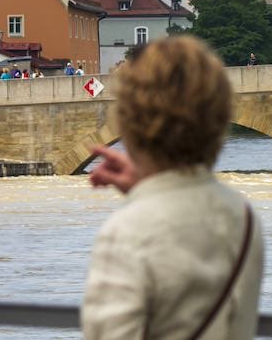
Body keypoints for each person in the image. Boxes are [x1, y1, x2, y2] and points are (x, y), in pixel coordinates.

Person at [83, 36, 264, 339]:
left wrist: (146, 199)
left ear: (130, 122)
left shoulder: (127, 232)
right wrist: (149, 189)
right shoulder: (244, 218)